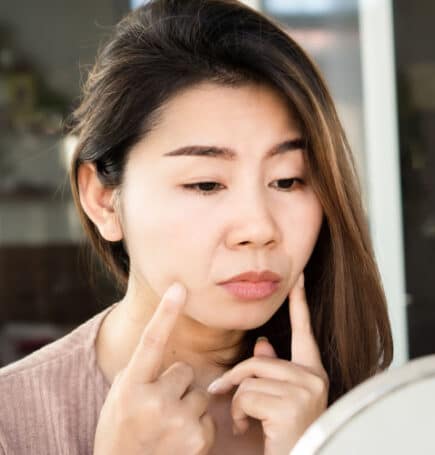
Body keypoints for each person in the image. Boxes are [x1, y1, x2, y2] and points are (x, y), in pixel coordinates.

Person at [0, 1, 393, 453]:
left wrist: (319, 446)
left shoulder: (365, 409)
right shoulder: (13, 424)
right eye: (206, 184)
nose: (259, 228)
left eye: (287, 180)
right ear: (103, 198)